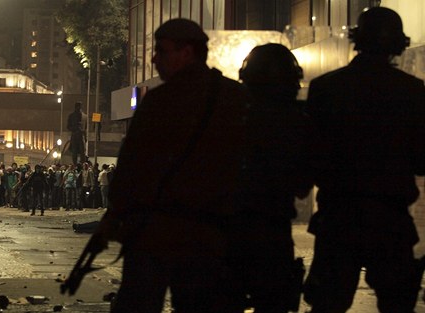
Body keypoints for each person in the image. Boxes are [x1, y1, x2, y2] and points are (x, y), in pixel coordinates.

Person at [97, 19, 248, 313]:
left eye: (162, 51)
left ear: (186, 53)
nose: (154, 59)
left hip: (156, 233)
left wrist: (115, 215)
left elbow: (131, 167)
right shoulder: (235, 97)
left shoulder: (159, 102)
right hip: (209, 235)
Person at [303, 7, 425, 313]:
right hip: (390, 219)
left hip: (338, 216)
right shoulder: (412, 91)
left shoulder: (326, 88)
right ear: (398, 44)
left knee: (328, 303)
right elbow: (422, 160)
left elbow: (312, 155)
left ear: (358, 40)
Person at [223, 43, 316, 312]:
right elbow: (302, 187)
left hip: (228, 230)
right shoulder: (298, 122)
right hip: (273, 232)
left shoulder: (226, 115)